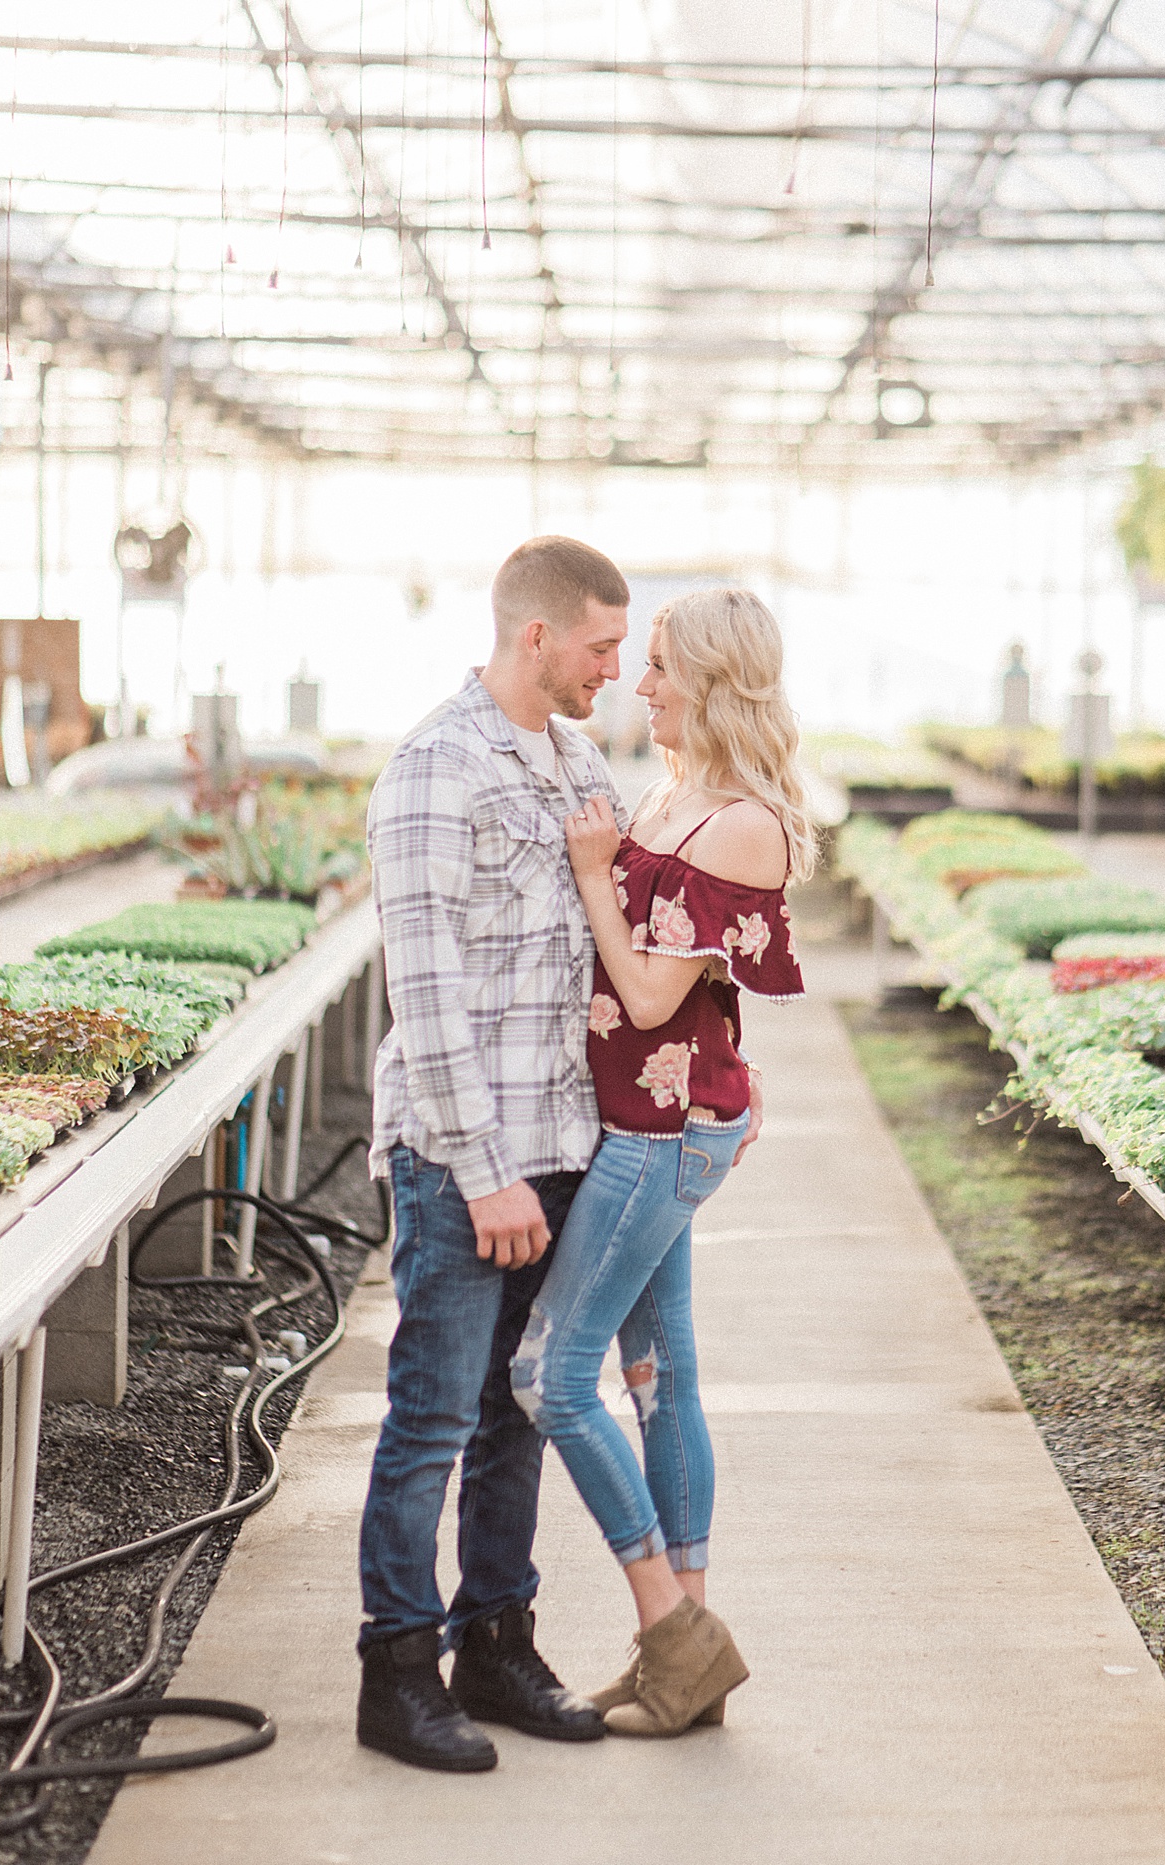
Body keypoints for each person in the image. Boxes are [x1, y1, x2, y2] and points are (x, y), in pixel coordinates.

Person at [510, 587, 811, 1736]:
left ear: (718, 680)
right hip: (648, 1116)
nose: (639, 685)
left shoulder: (740, 819)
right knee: (656, 1381)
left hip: (660, 1133)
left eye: (661, 669)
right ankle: (690, 1652)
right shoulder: (673, 791)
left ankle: (671, 1638)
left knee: (550, 1373)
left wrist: (594, 869)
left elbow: (644, 990)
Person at [355, 536, 631, 1775]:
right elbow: (425, 991)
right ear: (536, 637)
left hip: (562, 1142)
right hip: (466, 1152)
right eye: (599, 649)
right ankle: (398, 1670)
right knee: (431, 1415)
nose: (612, 673)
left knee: (515, 1406)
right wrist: (481, 1170)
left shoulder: (577, 760)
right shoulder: (434, 767)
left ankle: (496, 1641)